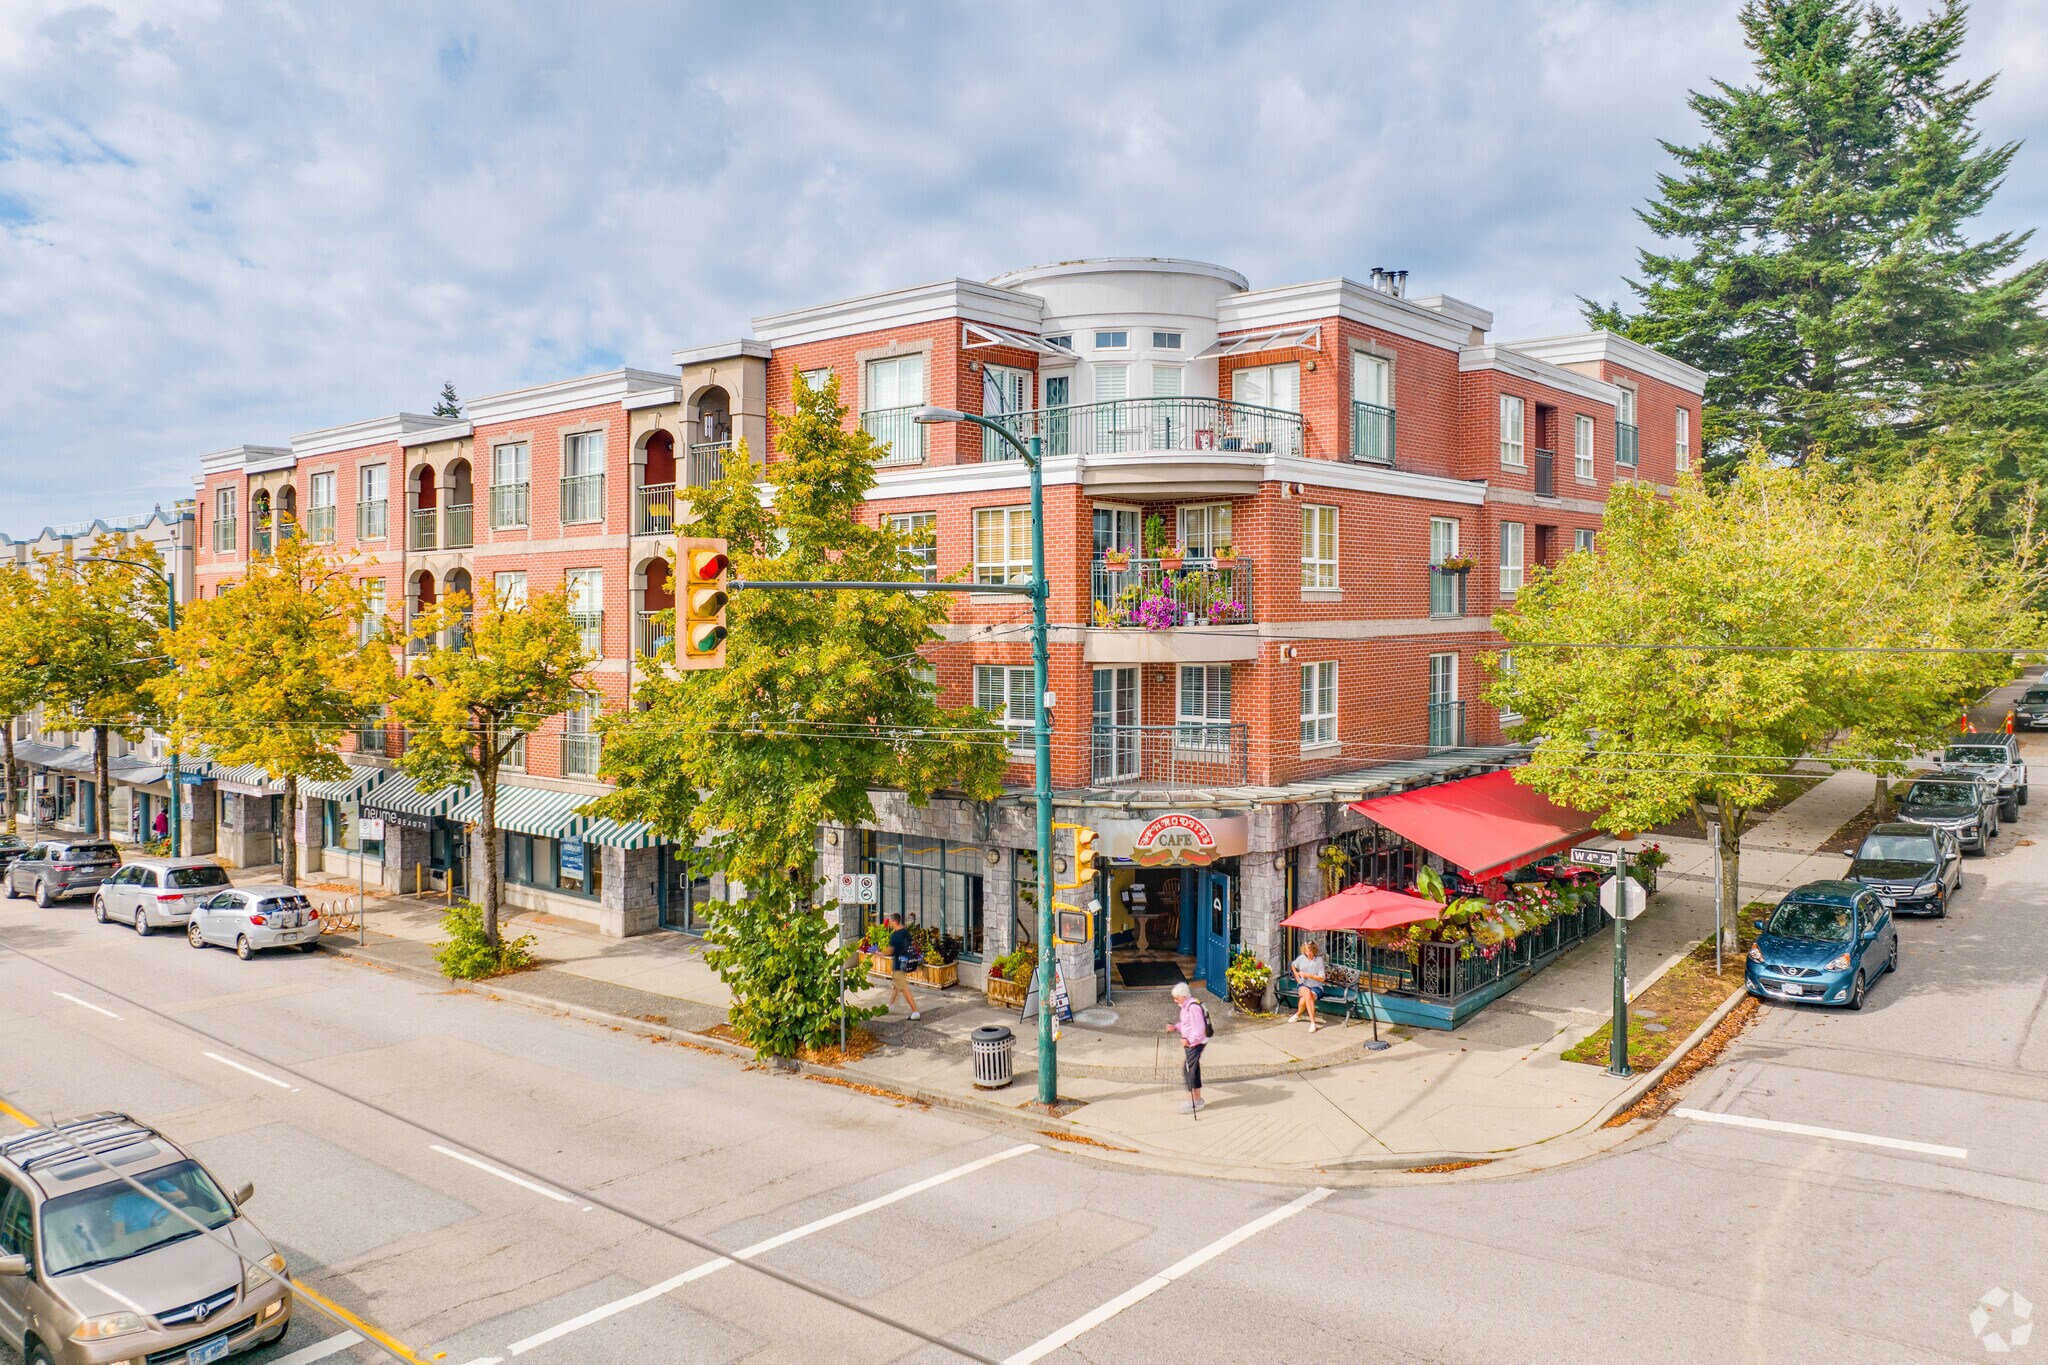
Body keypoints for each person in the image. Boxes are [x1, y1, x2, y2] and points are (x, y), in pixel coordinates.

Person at [1165, 981, 1208, 1112]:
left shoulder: (1192, 1007)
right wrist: (1175, 1027)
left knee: (1189, 1070)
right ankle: (1197, 1099)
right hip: (1194, 1043)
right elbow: (1186, 1024)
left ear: (1184, 996)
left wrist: (1188, 1040)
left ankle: (1193, 1101)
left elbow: (1199, 1029)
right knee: (1192, 1069)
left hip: (1196, 1043)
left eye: (1177, 998)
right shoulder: (1186, 1006)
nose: (1175, 1000)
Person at [884, 915, 920, 1021]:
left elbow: (889, 951)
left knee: (904, 988)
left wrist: (879, 952)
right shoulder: (905, 932)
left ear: (894, 922)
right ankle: (890, 1006)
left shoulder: (895, 936)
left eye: (890, 921)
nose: (889, 923)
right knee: (896, 985)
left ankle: (915, 1011)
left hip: (899, 965)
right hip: (906, 962)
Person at [1290, 939, 1327, 1031]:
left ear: (1314, 950)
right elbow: (1293, 965)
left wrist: (1308, 975)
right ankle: (1313, 1022)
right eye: (1306, 951)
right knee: (1306, 992)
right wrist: (1296, 973)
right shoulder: (1301, 958)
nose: (1308, 953)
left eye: (1310, 951)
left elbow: (1322, 978)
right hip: (1303, 985)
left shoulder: (1319, 961)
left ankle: (1298, 1015)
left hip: (1316, 987)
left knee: (1304, 999)